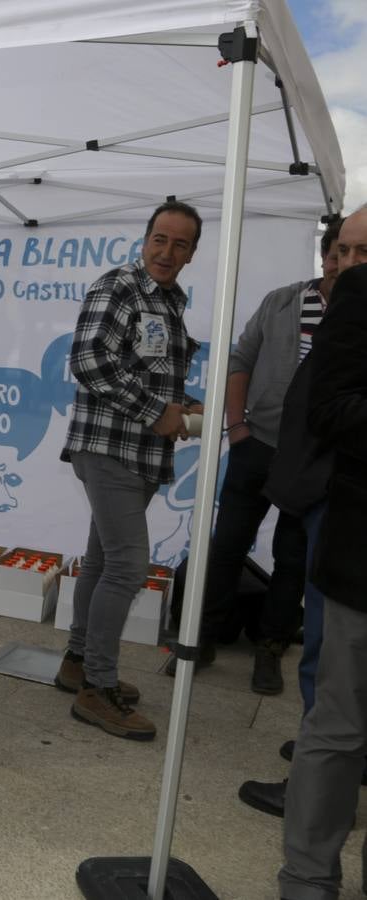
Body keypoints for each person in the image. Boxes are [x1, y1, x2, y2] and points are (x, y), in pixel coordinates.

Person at [166, 219, 343, 692]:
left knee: (293, 557)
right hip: (256, 445)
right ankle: (202, 637)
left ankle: (271, 647)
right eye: (335, 255)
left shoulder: (358, 313)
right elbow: (241, 361)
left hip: (313, 459)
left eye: (352, 256)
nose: (340, 265)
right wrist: (238, 426)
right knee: (227, 545)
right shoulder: (281, 301)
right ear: (324, 255)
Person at [57, 201, 204, 741]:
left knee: (103, 561)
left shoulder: (169, 301)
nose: (167, 251)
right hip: (109, 447)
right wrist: (157, 411)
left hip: (139, 452)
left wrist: (183, 406)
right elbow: (88, 360)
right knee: (126, 566)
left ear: (192, 253)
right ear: (144, 240)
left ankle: (78, 663)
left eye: (180, 244)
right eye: (160, 239)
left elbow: (146, 371)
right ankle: (98, 689)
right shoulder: (120, 286)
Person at [278, 214, 367, 900]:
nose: (350, 260)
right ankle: (308, 878)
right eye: (347, 249)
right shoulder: (357, 298)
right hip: (362, 560)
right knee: (339, 725)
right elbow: (329, 410)